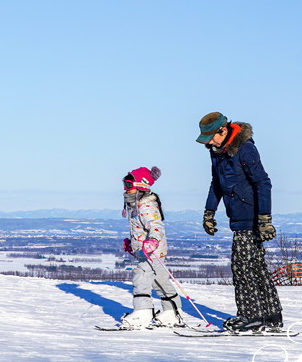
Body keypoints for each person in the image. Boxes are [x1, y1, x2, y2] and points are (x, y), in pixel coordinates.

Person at [197, 111, 283, 333]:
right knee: (256, 267)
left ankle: (250, 316)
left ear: (223, 130)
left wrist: (265, 218)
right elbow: (216, 183)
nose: (208, 142)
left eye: (211, 137)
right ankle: (271, 315)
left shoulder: (245, 148)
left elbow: (263, 183)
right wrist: (209, 212)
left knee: (242, 268)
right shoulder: (215, 152)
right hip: (236, 217)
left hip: (251, 217)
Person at [117, 166, 186, 329]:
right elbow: (140, 229)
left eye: (128, 185)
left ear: (141, 186)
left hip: (152, 252)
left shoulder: (146, 205)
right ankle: (172, 312)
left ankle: (143, 312)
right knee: (159, 281)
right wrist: (133, 243)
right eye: (125, 184)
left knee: (141, 277)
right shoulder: (135, 205)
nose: (125, 189)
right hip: (147, 251)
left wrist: (152, 241)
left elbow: (156, 225)